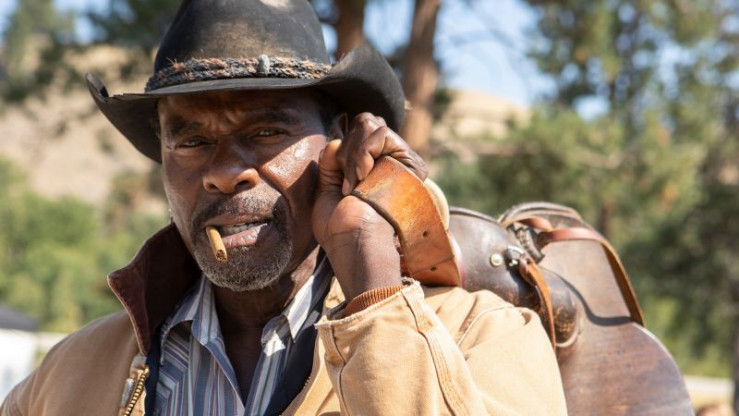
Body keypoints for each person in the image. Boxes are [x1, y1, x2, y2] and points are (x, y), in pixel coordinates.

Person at [1, 0, 567, 415]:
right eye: (191, 140)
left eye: (267, 131)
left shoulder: (485, 338)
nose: (225, 172)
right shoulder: (67, 380)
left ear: (340, 144)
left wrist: (374, 287)